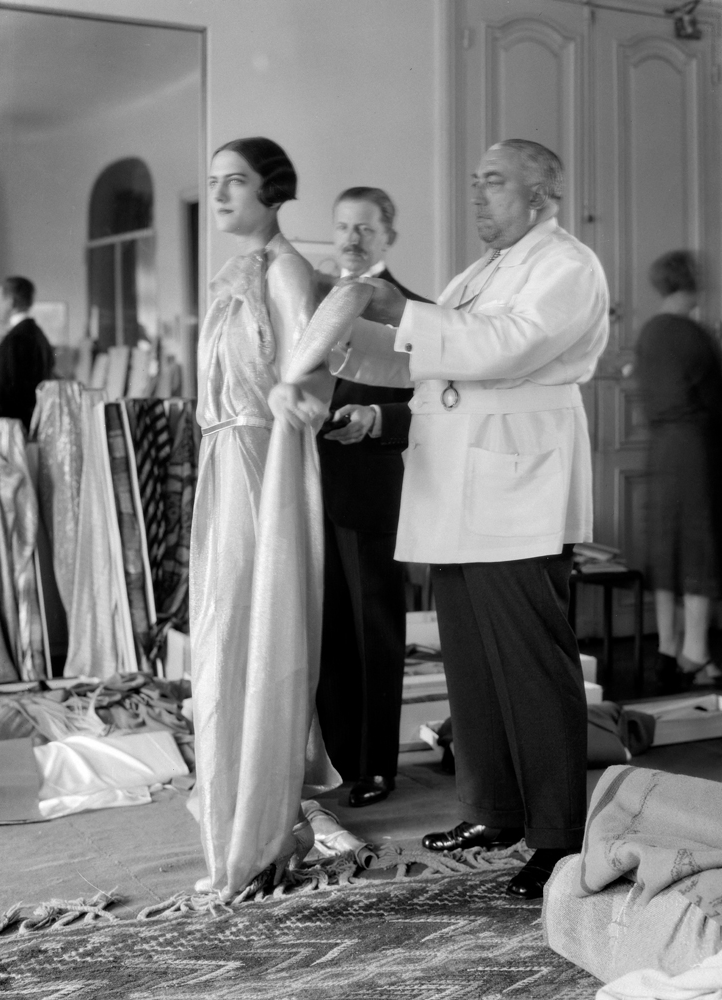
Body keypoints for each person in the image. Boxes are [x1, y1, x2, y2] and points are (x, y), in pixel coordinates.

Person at [318, 139, 610, 899]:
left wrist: (401, 310)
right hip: (459, 487)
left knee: (530, 666)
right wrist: (376, 418)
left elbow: (507, 348)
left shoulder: (567, 265)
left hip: (515, 491)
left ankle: (559, 836)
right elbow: (434, 369)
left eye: (495, 183)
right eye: (476, 183)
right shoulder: (480, 272)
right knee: (473, 668)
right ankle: (495, 810)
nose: (478, 196)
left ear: (543, 190)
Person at [189, 137, 339, 899]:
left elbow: (307, 379)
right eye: (212, 183)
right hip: (225, 461)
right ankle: (240, 821)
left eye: (235, 183)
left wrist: (292, 401)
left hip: (260, 462)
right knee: (222, 638)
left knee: (252, 633)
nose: (218, 196)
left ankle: (262, 830)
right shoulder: (230, 274)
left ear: (272, 191)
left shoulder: (285, 270)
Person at [316, 187, 430, 807]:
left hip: (369, 490)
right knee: (323, 628)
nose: (352, 239)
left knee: (372, 630)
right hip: (303, 489)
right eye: (342, 227)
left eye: (365, 229)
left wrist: (378, 416)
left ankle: (376, 767)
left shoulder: (418, 314)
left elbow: (435, 409)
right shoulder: (309, 303)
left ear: (388, 236)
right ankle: (333, 760)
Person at [635, 250, 722, 693]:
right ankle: (696, 649)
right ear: (691, 284)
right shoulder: (696, 335)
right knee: (697, 545)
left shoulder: (649, 333)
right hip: (695, 448)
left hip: (661, 450)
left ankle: (668, 648)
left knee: (666, 545)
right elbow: (716, 400)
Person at [0, 276, 54, 431]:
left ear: (10, 302)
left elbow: (5, 387)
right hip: (31, 423)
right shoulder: (37, 335)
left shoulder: (16, 339)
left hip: (13, 427)